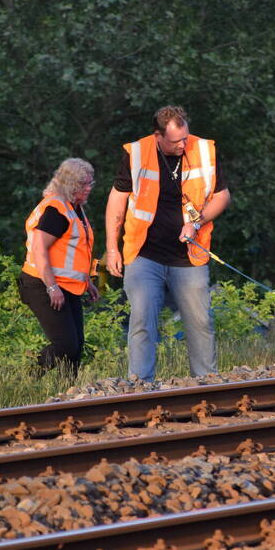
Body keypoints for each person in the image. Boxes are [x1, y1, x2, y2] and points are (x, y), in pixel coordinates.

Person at [105, 105, 231, 381]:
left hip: (189, 255)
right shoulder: (137, 153)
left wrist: (196, 223)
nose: (183, 145)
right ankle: (140, 384)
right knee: (142, 321)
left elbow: (222, 196)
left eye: (185, 137)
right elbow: (117, 200)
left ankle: (206, 383)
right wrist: (112, 248)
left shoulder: (204, 150)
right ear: (158, 136)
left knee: (200, 322)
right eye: (176, 141)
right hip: (143, 253)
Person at [20, 158, 99, 376]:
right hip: (42, 283)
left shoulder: (74, 207)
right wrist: (52, 287)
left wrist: (87, 281)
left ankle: (67, 397)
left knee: (75, 348)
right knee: (65, 345)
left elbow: (70, 250)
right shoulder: (56, 210)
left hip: (68, 285)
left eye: (90, 183)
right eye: (85, 184)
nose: (89, 188)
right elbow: (39, 250)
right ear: (71, 185)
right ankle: (27, 377)